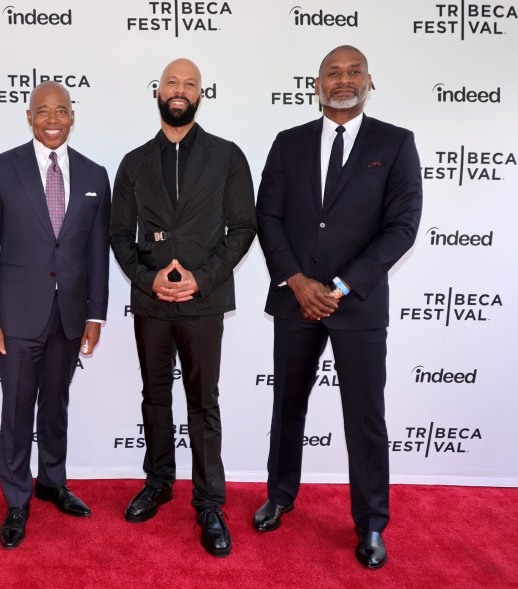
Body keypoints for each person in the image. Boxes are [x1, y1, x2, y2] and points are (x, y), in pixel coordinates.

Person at [253, 45, 423, 569]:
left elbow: (403, 226)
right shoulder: (288, 143)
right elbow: (268, 217)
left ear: (369, 81)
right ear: (318, 83)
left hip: (358, 305)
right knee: (288, 408)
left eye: (353, 72)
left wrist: (343, 287)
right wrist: (297, 281)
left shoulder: (395, 144)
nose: (343, 80)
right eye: (333, 73)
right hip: (295, 299)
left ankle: (371, 521)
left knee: (365, 418)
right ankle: (280, 494)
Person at [110, 58, 257, 558]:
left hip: (205, 301)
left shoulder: (228, 156)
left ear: (200, 94)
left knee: (203, 403)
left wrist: (202, 278)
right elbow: (118, 234)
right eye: (172, 82)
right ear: (158, 91)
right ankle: (158, 482)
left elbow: (243, 228)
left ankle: (210, 502)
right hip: (152, 303)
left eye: (189, 84)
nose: (180, 90)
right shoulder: (133, 162)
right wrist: (150, 279)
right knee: (155, 397)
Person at [0, 81, 111, 550]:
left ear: (73, 117)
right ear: (29, 117)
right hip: (15, 316)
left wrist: (96, 316)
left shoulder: (94, 175)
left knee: (56, 406)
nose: (52, 119)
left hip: (69, 315)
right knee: (16, 410)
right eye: (42, 111)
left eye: (61, 111)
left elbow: (95, 252)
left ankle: (52, 481)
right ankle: (16, 499)